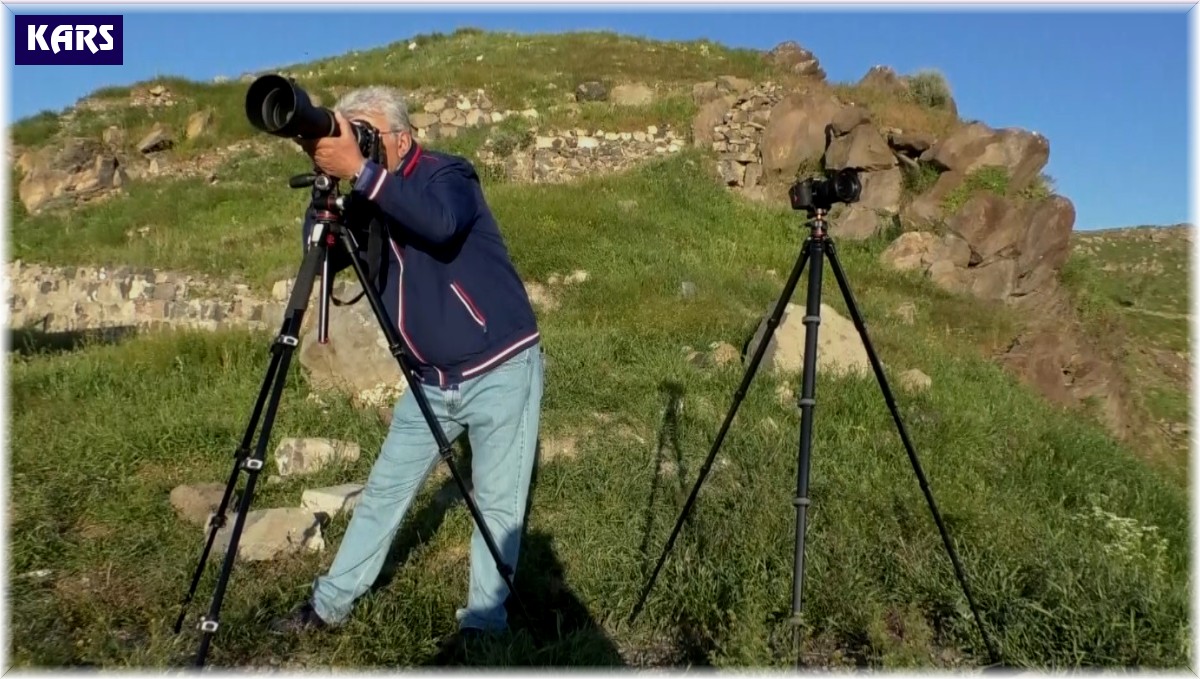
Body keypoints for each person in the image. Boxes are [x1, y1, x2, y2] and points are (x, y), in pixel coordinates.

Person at [271, 86, 544, 641]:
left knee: (496, 503)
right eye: (351, 131)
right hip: (428, 382)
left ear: (402, 136)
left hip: (500, 367)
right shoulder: (366, 201)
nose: (359, 143)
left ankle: (484, 625)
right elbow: (320, 252)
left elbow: (439, 223)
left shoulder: (448, 175)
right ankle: (329, 605)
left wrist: (362, 172)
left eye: (365, 131)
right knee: (383, 493)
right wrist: (326, 185)